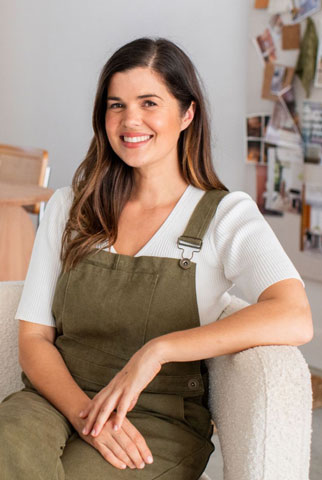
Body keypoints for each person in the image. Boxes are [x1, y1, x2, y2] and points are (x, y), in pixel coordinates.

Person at [0, 37, 313, 479]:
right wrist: (86, 416)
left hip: (155, 421)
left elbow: (294, 316)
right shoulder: (69, 207)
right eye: (116, 105)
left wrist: (159, 350)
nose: (130, 121)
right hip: (55, 401)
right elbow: (33, 339)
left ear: (187, 114)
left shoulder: (225, 215)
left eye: (150, 103)